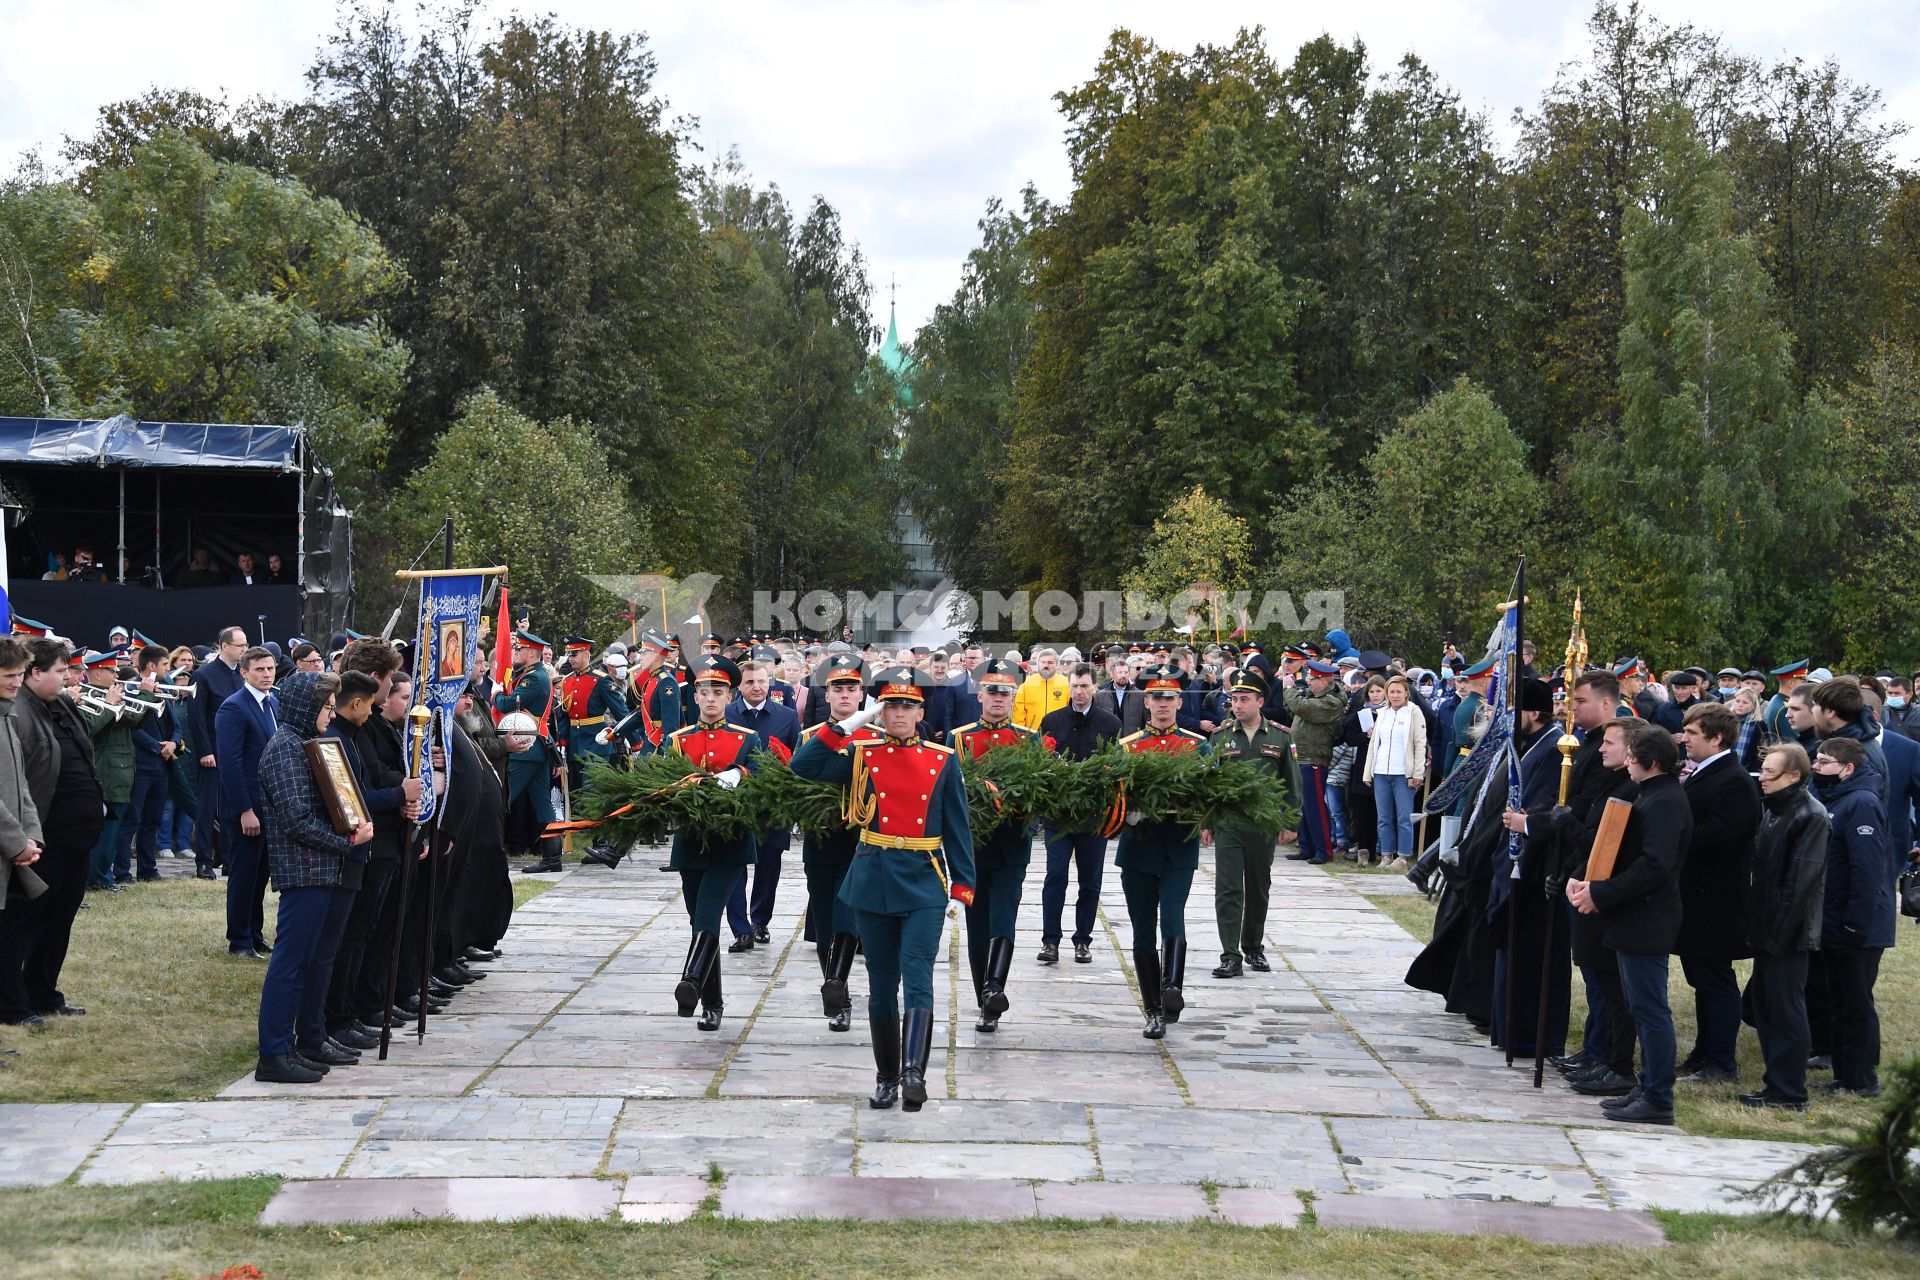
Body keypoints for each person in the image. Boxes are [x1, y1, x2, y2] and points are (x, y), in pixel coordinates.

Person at [791, 665, 974, 1111]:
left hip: (923, 881)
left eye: (907, 706)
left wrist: (962, 886)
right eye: (891, 705)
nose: (898, 713)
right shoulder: (862, 754)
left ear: (919, 711)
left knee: (918, 977)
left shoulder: (942, 758)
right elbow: (804, 767)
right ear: (881, 709)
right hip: (872, 877)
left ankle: (914, 1073)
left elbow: (957, 828)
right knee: (880, 984)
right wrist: (847, 725)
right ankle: (886, 1076)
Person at [1566, 725, 1693, 1125]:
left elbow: (1655, 865)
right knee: (1640, 1006)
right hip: (1632, 916)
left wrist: (1601, 894)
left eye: (1632, 754)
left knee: (1650, 1010)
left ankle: (1658, 1097)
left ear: (1649, 762)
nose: (1626, 760)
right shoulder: (1650, 794)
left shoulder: (1664, 801)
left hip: (1647, 917)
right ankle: (1648, 1085)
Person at [252, 672, 376, 1084]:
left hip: (323, 866)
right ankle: (273, 1052)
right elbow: (296, 819)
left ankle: (308, 1037)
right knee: (290, 963)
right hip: (304, 868)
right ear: (306, 706)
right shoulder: (285, 749)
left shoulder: (305, 744)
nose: (330, 712)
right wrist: (348, 841)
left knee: (315, 959)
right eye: (324, 705)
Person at [2, 639, 102, 1024]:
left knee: (59, 918)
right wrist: (21, 837)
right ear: (34, 674)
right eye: (60, 671)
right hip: (41, 837)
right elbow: (16, 783)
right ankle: (11, 1003)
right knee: (21, 920)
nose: (69, 677)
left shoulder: (59, 704)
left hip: (76, 838)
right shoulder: (17, 714)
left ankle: (43, 992)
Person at [664, 656, 761, 1031]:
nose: (710, 699)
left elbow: (760, 776)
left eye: (717, 692)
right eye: (703, 692)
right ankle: (713, 1003)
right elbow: (661, 785)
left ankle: (690, 981)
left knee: (707, 914)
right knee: (699, 921)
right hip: (691, 843)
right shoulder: (678, 741)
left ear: (730, 696)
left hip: (730, 844)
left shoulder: (746, 738)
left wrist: (738, 773)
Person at [1115, 666, 1210, 1039]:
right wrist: (1127, 809)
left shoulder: (1195, 745)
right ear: (1146, 701)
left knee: (1172, 916)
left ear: (1179, 701)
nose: (1163, 704)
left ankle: (1172, 988)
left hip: (1178, 844)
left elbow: (1209, 790)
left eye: (1169, 697)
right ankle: (1152, 1009)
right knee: (1141, 931)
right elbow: (1114, 796)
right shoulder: (1130, 746)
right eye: (1156, 697)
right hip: (1139, 845)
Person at [1671, 702, 1762, 1084]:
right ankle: (1704, 1052)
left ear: (1717, 737)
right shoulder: (1705, 773)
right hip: (1697, 896)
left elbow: (1722, 836)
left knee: (1715, 980)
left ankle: (1721, 1061)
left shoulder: (1733, 780)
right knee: (1702, 978)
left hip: (1717, 900)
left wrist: (1672, 831)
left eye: (1692, 733)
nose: (1684, 739)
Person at [954, 658, 1041, 1032]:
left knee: (1003, 919)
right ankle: (982, 995)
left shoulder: (1027, 739)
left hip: (1010, 846)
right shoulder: (959, 738)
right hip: (972, 849)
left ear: (1013, 696)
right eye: (992, 691)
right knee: (976, 926)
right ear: (980, 695)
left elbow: (1040, 791)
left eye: (1005, 692)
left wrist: (1027, 817)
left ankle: (994, 991)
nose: (998, 698)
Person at [796, 654, 882, 1032]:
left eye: (851, 688)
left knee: (848, 917)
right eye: (837, 689)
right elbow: (797, 785)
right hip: (821, 842)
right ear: (826, 694)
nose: (845, 694)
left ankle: (836, 985)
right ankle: (839, 993)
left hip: (862, 844)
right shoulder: (810, 737)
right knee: (825, 923)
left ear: (862, 693)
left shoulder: (878, 737)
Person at [1739, 744, 1828, 1110]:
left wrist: (1777, 934)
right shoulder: (1775, 809)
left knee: (1785, 1008)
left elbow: (1801, 882)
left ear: (1795, 775)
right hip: (1769, 926)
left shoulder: (1809, 815)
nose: (1763, 779)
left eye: (1772, 773)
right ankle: (1777, 1083)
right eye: (1763, 770)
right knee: (1766, 1005)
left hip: (1789, 932)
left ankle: (1789, 1090)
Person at [1811, 736, 1892, 1097]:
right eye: (1816, 760)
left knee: (1855, 1000)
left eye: (1824, 762)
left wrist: (1854, 921)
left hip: (1857, 924)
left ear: (1847, 769)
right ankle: (1846, 1073)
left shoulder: (1861, 803)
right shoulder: (1837, 798)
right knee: (1840, 998)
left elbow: (1867, 869)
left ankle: (1861, 1077)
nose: (1816, 767)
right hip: (1834, 918)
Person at [1205, 667, 1291, 978]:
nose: (1237, 705)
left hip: (1262, 826)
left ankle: (1253, 946)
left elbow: (1292, 784)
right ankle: (1230, 955)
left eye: (1244, 699)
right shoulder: (1221, 736)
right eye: (1234, 699)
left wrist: (1290, 821)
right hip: (1229, 824)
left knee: (1258, 888)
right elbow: (1209, 782)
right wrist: (1206, 821)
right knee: (1228, 890)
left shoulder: (1280, 737)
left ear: (1260, 701)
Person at [1037, 664, 1121, 965]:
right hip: (1058, 816)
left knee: (1090, 882)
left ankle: (1083, 940)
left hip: (1093, 817)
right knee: (1055, 877)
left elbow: (1116, 769)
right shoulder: (1052, 721)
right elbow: (1039, 766)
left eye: (1084, 686)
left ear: (1094, 688)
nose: (1079, 692)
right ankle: (1050, 941)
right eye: (1074, 686)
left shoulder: (1110, 724)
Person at [722, 659, 800, 949]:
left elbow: (795, 759)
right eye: (750, 682)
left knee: (769, 866)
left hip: (772, 805)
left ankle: (760, 921)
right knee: (734, 865)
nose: (757, 687)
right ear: (739, 686)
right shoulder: (727, 714)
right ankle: (740, 928)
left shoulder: (787, 716)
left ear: (771, 682)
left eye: (762, 682)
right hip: (735, 804)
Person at [216, 646, 280, 957]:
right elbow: (230, 763)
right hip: (248, 808)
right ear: (244, 673)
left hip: (270, 807)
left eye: (270, 669)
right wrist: (245, 810)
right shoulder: (234, 707)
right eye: (260, 670)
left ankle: (254, 934)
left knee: (260, 876)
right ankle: (238, 940)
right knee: (243, 875)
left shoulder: (273, 702)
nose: (267, 674)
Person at [493, 630, 560, 872]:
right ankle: (552, 859)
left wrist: (497, 694)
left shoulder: (534, 678)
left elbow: (508, 704)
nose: (515, 653)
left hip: (526, 748)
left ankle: (490, 850)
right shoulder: (536, 674)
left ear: (531, 653)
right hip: (536, 746)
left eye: (519, 649)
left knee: (501, 797)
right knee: (543, 804)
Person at [189, 627, 249, 879]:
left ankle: (228, 857)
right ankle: (203, 859)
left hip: (237, 754)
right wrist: (205, 751)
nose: (244, 649)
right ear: (224, 646)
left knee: (233, 807)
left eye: (246, 645)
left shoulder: (242, 676)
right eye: (240, 645)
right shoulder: (204, 676)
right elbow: (197, 717)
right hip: (213, 752)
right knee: (206, 809)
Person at [1283, 660, 1347, 865]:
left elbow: (1301, 707)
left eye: (1313, 678)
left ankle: (1323, 849)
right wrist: (1291, 692)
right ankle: (1306, 846)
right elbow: (1291, 707)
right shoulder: (1314, 695)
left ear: (1325, 681)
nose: (1309, 681)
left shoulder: (1331, 702)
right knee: (1301, 805)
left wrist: (1289, 688)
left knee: (1315, 806)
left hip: (1314, 758)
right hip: (1300, 756)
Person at [1363, 675, 1428, 871]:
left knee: (1404, 816)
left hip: (1403, 773)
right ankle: (1386, 854)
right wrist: (1368, 772)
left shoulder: (1414, 712)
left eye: (1399, 691)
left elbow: (1419, 743)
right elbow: (1374, 744)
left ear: (1406, 693)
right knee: (1384, 817)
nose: (1395, 695)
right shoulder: (1382, 713)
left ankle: (1403, 856)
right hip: (1381, 770)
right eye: (1392, 692)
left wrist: (1418, 772)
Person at [1012, 647, 1068, 730]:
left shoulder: (1066, 684)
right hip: (1032, 737)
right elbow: (1018, 715)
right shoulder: (1026, 684)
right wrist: (1022, 736)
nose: (1046, 665)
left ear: (1056, 664)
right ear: (1038, 664)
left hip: (1060, 736)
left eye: (1050, 662)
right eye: (1043, 662)